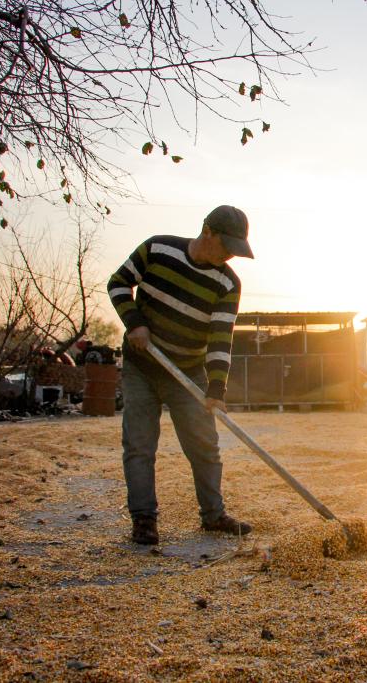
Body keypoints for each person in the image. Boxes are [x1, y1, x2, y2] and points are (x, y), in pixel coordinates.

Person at [107, 205, 254, 545]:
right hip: (142, 366)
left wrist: (216, 388)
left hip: (188, 372)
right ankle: (144, 520)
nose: (229, 255)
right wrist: (136, 323)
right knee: (140, 445)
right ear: (208, 232)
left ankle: (213, 515)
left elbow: (220, 339)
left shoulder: (227, 283)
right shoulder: (158, 249)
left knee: (204, 444)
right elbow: (118, 284)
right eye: (226, 246)